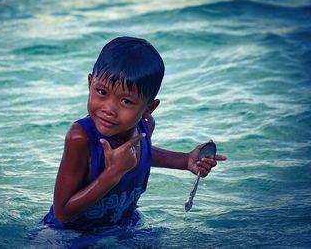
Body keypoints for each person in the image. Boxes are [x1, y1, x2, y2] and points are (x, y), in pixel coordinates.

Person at [41, 36, 227, 231]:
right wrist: (113, 173)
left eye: (126, 101)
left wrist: (185, 160)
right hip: (68, 234)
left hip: (123, 227)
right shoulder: (80, 138)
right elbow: (62, 212)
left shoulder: (144, 126)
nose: (109, 109)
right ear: (90, 84)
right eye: (102, 92)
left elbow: (142, 153)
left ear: (149, 108)